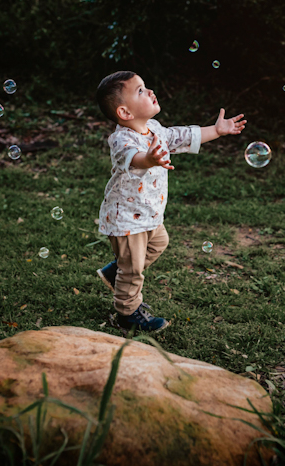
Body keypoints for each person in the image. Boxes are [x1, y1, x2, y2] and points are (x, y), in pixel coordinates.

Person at [95, 71, 247, 333]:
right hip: (128, 218)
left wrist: (217, 130)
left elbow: (183, 136)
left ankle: (115, 271)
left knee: (159, 243)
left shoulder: (155, 129)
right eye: (140, 91)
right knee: (133, 272)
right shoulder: (122, 140)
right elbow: (134, 158)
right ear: (125, 112)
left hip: (150, 214)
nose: (150, 91)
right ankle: (127, 313)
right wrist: (150, 160)